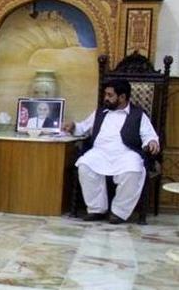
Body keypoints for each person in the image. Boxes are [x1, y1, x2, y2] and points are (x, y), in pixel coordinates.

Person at [63, 79, 159, 224]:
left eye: (110, 95)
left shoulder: (138, 115)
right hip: (100, 152)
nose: (106, 98)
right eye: (105, 94)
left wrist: (151, 142)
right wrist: (73, 127)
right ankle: (97, 209)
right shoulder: (100, 112)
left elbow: (149, 135)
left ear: (122, 97)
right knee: (85, 165)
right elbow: (83, 128)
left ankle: (119, 212)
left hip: (126, 153)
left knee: (133, 170)